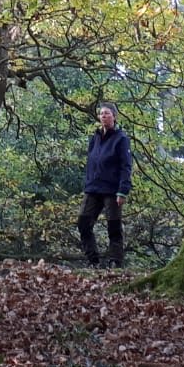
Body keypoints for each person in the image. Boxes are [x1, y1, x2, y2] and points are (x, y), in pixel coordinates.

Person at [77, 103, 133, 268]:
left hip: (112, 189)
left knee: (113, 227)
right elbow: (91, 161)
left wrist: (123, 191)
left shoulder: (121, 139)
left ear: (114, 116)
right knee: (83, 223)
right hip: (93, 188)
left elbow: (126, 166)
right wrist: (88, 182)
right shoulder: (95, 137)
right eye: (101, 113)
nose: (103, 116)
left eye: (107, 113)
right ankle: (93, 260)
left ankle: (115, 261)